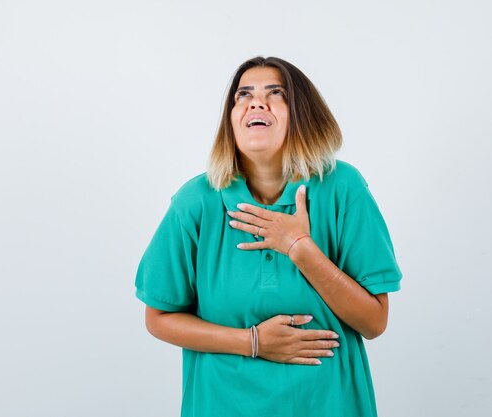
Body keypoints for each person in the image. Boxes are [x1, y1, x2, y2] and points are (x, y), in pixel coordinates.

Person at [134, 56, 402, 417]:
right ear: (231, 120)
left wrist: (299, 247)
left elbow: (374, 322)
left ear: (303, 114)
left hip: (328, 405)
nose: (255, 102)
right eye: (243, 95)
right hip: (222, 405)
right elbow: (159, 318)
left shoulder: (344, 189)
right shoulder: (195, 202)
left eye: (275, 94)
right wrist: (253, 342)